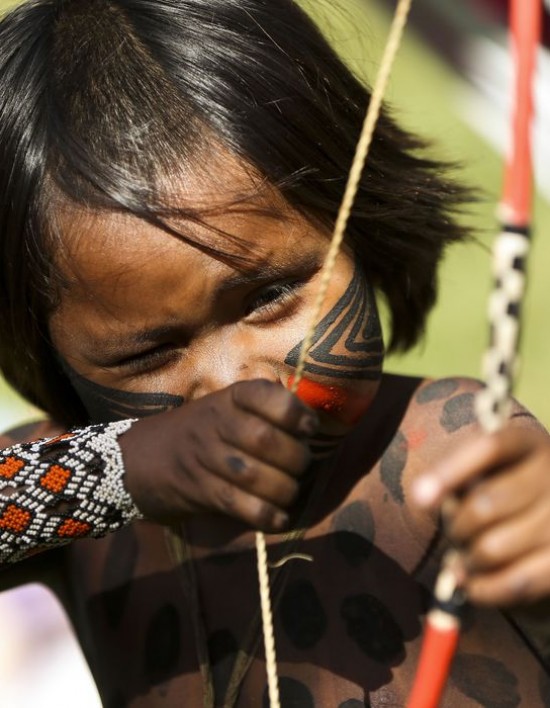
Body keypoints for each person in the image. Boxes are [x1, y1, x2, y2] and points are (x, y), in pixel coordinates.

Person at [0, 0, 549, 705]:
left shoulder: (447, 452)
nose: (237, 385)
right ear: (48, 354)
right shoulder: (75, 496)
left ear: (358, 222)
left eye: (271, 296)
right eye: (147, 353)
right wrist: (124, 471)